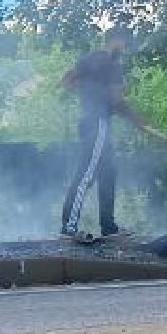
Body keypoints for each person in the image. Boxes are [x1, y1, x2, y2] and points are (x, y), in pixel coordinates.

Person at [59, 29, 131, 241]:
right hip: (98, 123)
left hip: (91, 122)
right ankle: (68, 229)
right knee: (86, 175)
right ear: (116, 41)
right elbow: (117, 102)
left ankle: (109, 227)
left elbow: (66, 81)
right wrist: (138, 120)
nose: (126, 50)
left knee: (108, 174)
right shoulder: (113, 66)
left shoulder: (88, 59)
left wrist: (88, 94)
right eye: (125, 44)